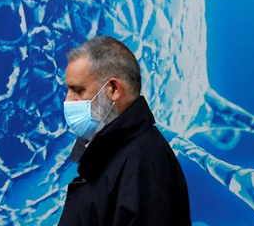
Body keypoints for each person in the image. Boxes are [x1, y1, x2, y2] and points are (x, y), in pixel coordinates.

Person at [57, 36, 191, 226]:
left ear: (113, 89)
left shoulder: (142, 165)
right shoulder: (107, 160)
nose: (68, 101)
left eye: (78, 90)